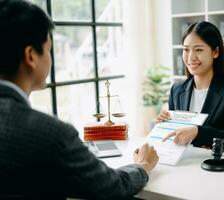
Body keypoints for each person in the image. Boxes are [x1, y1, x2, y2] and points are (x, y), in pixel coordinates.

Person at [0, 0, 158, 199]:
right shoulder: (51, 134)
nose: (51, 59)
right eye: (49, 50)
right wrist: (141, 166)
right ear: (30, 56)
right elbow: (110, 187)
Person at [156, 21, 224, 152]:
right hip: (185, 163)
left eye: (198, 50)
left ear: (215, 52)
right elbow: (176, 136)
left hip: (214, 168)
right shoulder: (177, 90)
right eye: (186, 49)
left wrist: (199, 132)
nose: (191, 57)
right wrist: (165, 125)